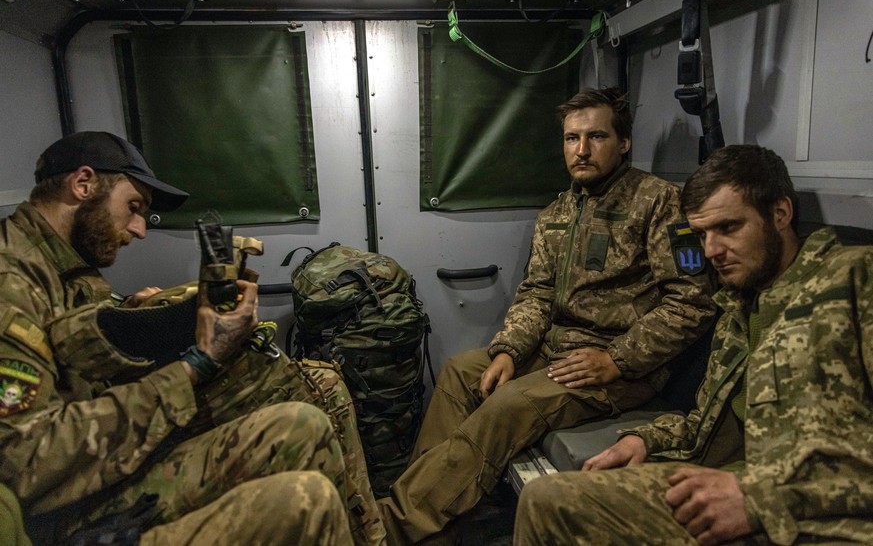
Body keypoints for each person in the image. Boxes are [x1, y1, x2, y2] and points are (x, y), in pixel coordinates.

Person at [0, 131, 385, 545]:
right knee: (308, 497)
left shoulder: (62, 266)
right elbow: (27, 461)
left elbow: (75, 345)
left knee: (304, 419)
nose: (139, 229)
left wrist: (154, 312)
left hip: (104, 472)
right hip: (70, 517)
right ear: (83, 184)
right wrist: (196, 364)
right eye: (134, 207)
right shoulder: (12, 281)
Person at [378, 88, 717, 544]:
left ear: (624, 143)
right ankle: (438, 516)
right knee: (462, 372)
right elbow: (536, 293)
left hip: (618, 369)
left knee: (510, 405)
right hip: (553, 350)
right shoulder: (558, 212)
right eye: (571, 138)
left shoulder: (660, 204)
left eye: (596, 136)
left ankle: (395, 526)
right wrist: (509, 351)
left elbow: (691, 302)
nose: (581, 150)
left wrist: (617, 358)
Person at [513, 144, 873, 545]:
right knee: (547, 499)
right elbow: (707, 421)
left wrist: (762, 499)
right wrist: (644, 438)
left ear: (781, 213)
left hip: (828, 519)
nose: (710, 252)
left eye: (728, 228)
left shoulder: (854, 279)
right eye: (701, 234)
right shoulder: (739, 306)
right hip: (742, 483)